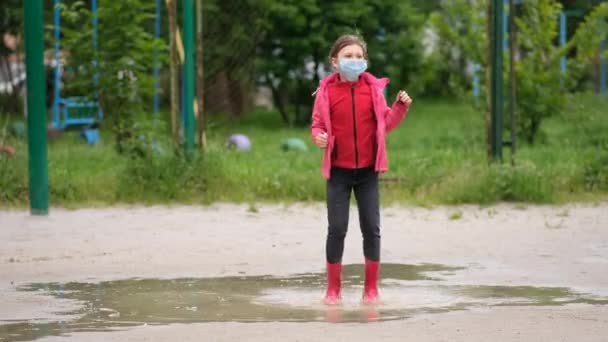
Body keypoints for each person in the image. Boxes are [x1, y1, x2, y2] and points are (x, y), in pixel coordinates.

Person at [310, 34, 412, 305]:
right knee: (337, 228)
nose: (354, 61)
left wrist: (400, 108)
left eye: (359, 56)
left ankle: (371, 289)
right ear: (335, 62)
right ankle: (333, 290)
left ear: (365, 61)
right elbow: (317, 124)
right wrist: (318, 136)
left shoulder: (374, 90)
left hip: (368, 172)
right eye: (348, 56)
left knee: (371, 228)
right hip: (338, 173)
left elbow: (385, 124)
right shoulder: (326, 92)